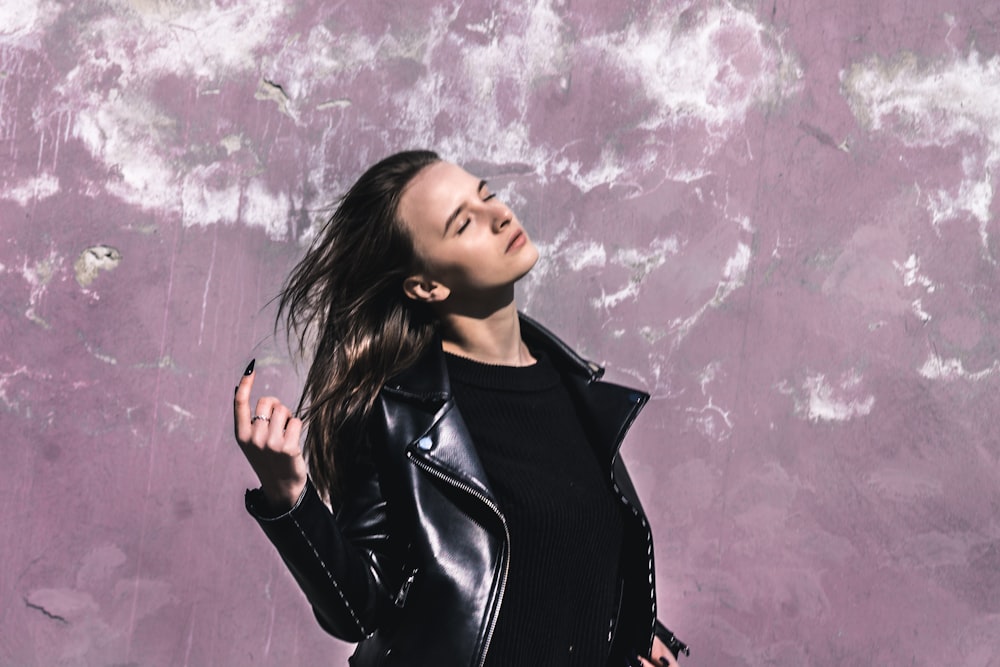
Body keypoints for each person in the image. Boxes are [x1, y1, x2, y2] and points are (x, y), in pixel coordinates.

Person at [232, 150, 688, 666]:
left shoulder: (573, 388)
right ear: (427, 285)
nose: (499, 216)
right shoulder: (397, 415)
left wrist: (628, 634)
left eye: (487, 194)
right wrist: (290, 496)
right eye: (464, 222)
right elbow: (360, 611)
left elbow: (557, 565)